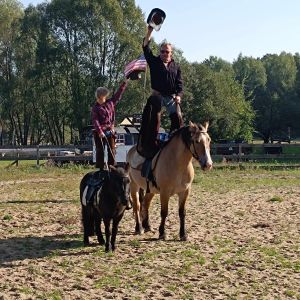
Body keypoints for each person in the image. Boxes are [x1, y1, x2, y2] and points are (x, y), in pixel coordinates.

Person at [137, 25, 184, 159]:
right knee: (154, 115)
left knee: (178, 117)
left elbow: (180, 86)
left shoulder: (176, 67)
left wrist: (179, 97)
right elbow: (145, 48)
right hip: (157, 96)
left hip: (171, 97)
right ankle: (151, 142)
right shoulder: (154, 62)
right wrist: (149, 32)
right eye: (162, 51)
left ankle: (174, 142)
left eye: (167, 52)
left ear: (171, 53)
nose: (164, 53)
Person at [92, 78, 129, 170]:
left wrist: (124, 83)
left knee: (111, 150)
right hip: (99, 132)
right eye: (104, 95)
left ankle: (112, 168)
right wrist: (100, 131)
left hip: (110, 131)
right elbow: (95, 121)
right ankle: (100, 169)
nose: (106, 96)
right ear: (100, 96)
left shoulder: (110, 103)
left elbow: (118, 94)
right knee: (100, 151)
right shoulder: (95, 108)